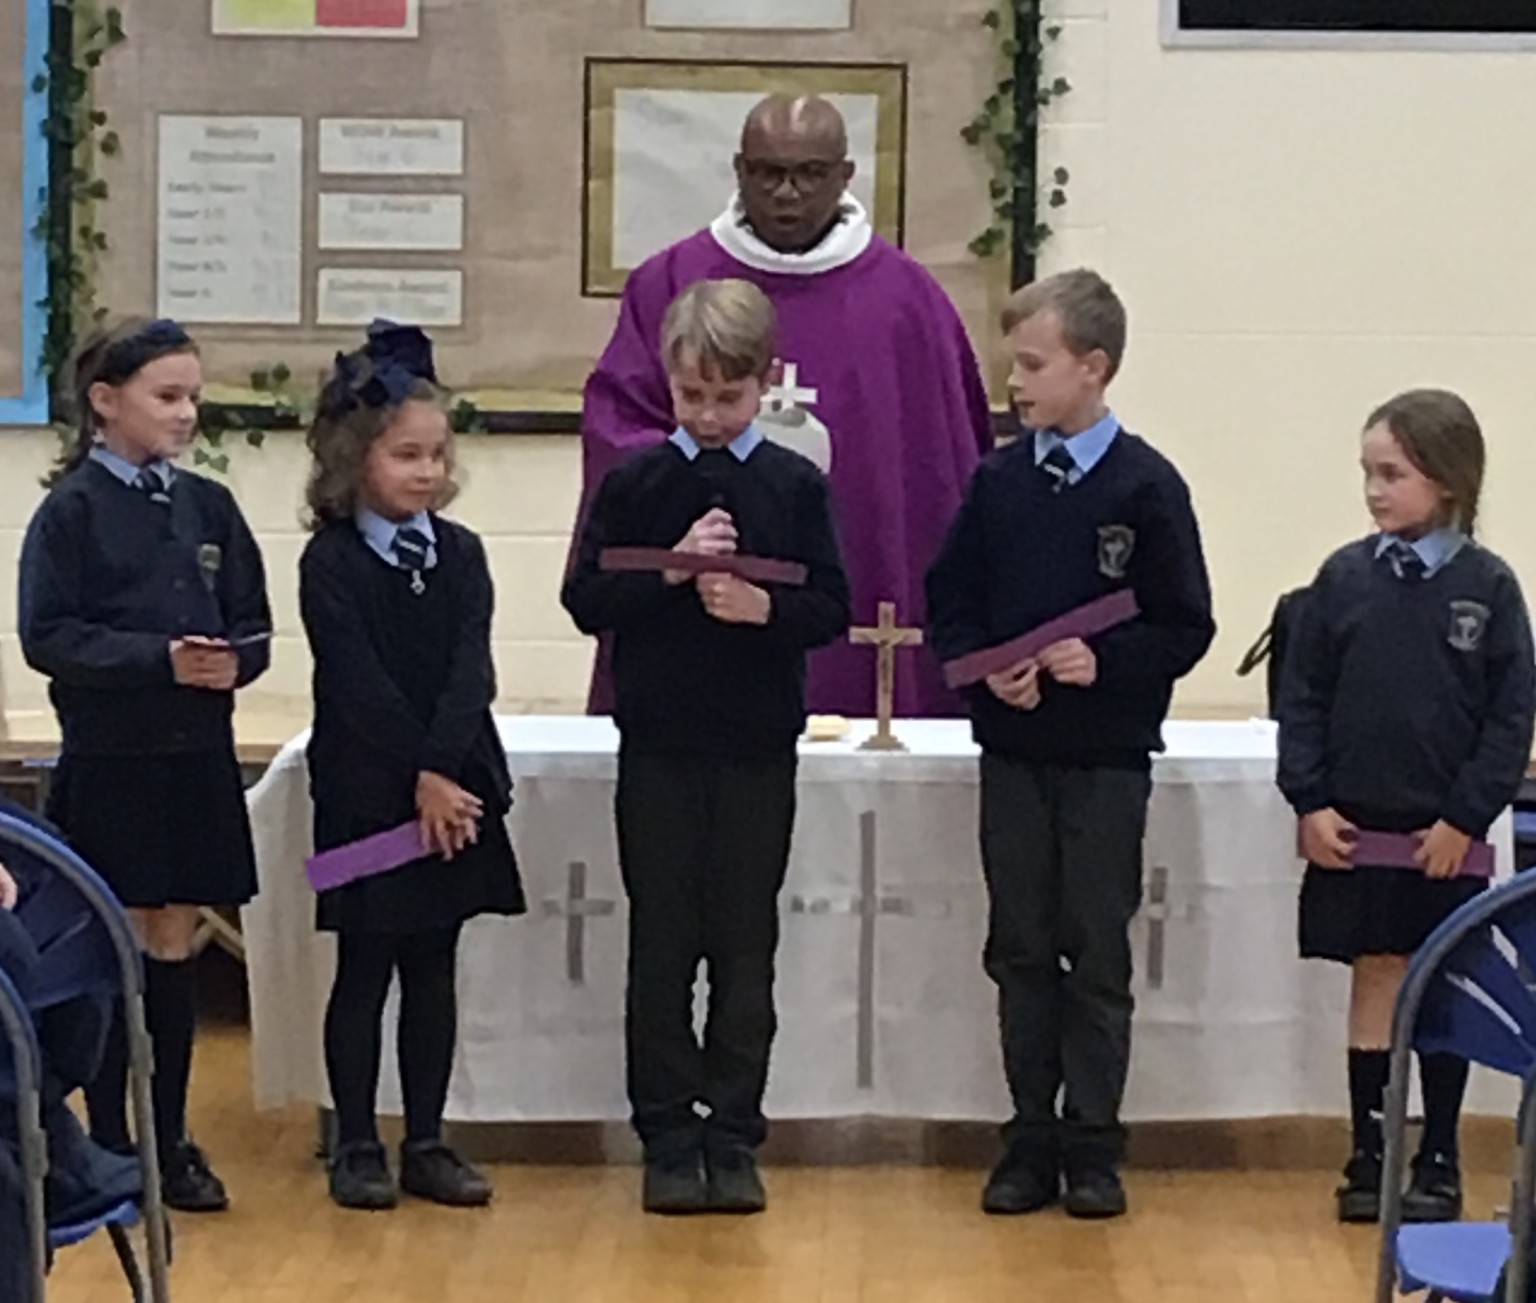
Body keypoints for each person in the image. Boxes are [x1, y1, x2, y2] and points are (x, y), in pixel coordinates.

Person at [926, 269, 1214, 1220]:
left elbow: (1185, 624)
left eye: (1035, 364)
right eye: (1016, 363)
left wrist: (1109, 663)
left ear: (1093, 370)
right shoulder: (998, 482)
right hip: (1015, 753)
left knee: (1094, 950)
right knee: (1019, 945)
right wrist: (982, 668)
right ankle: (1028, 1137)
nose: (1017, 381)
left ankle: (1094, 1141)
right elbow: (952, 602)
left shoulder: (1147, 485)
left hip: (1103, 760)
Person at [562, 279, 850, 1215]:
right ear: (669, 385)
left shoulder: (794, 485)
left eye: (729, 398)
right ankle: (666, 1134)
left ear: (766, 383)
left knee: (743, 943)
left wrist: (763, 607)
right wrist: (676, 570)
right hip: (659, 745)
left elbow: (830, 606)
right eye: (692, 398)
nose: (711, 415)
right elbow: (586, 597)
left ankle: (734, 1132)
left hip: (758, 747)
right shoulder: (638, 482)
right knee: (662, 942)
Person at [580, 92, 990, 719]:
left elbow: (945, 466)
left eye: (810, 174)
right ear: (740, 171)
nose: (788, 193)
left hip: (850, 584)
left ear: (846, 176)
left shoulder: (907, 300)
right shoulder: (669, 282)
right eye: (769, 173)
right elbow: (619, 433)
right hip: (693, 626)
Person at [18, 318, 271, 1213]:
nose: (187, 412)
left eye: (193, 395)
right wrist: (157, 659)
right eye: (167, 395)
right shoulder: (72, 511)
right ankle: (112, 1137)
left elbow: (255, 625)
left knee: (176, 943)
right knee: (114, 942)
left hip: (194, 758)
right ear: (104, 402)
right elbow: (49, 635)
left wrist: (234, 658)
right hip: (114, 760)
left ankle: (169, 1136)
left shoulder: (209, 506)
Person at [1277, 389, 1535, 1225]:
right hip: (1358, 830)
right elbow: (1304, 698)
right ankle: (1370, 1152)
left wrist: (1464, 816)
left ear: (1448, 480)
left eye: (1392, 473)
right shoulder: (1342, 580)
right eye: (1368, 473)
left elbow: (1508, 718)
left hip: (1442, 837)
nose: (1375, 490)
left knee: (1443, 985)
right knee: (1376, 978)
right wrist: (1309, 801)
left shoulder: (1489, 590)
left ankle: (1442, 1155)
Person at [299, 321, 524, 1212]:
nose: (427, 472)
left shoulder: (461, 554)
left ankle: (425, 1136)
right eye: (406, 456)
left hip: (455, 795)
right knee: (365, 965)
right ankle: (355, 1139)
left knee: (434, 963)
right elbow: (358, 686)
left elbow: (472, 669)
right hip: (367, 795)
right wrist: (419, 776)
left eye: (437, 455)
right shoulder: (333, 562)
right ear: (358, 462)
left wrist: (445, 774)